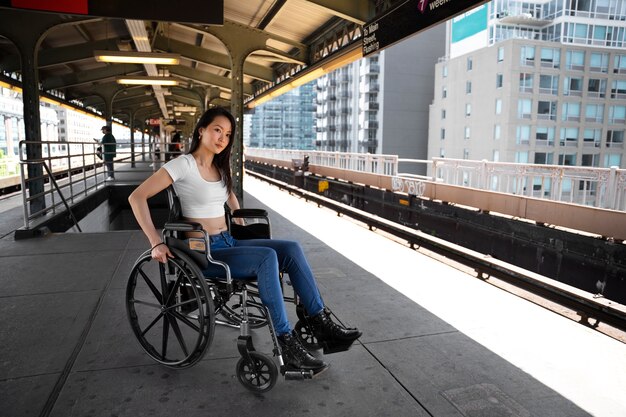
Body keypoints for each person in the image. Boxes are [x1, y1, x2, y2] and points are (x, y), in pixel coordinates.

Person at [128, 107, 361, 374]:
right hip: (204, 251)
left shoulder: (218, 166)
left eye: (227, 134)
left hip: (228, 242)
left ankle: (320, 322)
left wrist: (239, 222)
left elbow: (229, 197)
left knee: (291, 248)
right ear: (201, 130)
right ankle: (285, 341)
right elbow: (136, 197)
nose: (222, 138)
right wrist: (155, 242)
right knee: (267, 257)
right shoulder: (184, 164)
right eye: (217, 130)